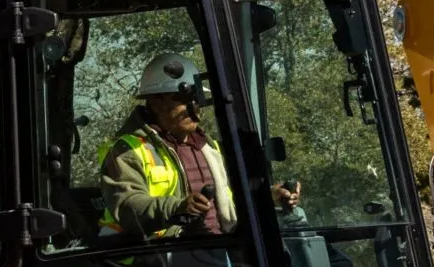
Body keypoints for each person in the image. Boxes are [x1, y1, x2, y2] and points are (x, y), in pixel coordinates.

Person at [100, 54, 298, 243]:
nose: (193, 107)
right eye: (182, 99)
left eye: (196, 99)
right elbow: (127, 206)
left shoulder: (208, 147)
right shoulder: (128, 150)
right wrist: (177, 208)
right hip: (161, 256)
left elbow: (233, 196)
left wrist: (270, 195)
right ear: (155, 101)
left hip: (222, 244)